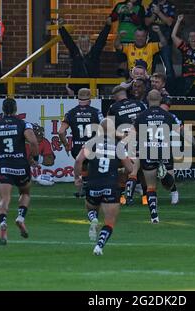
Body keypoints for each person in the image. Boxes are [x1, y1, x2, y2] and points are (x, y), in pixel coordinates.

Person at [0, 98, 39, 245]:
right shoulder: (22, 123)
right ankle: (20, 217)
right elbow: (33, 142)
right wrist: (34, 158)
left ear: (2, 109)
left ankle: (3, 223)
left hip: (4, 166)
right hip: (21, 166)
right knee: (25, 193)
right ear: (15, 109)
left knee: (4, 200)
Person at [74, 118, 133, 255]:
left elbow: (78, 160)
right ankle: (99, 246)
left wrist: (77, 178)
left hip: (93, 184)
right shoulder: (118, 145)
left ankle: (93, 217)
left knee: (90, 207)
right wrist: (120, 169)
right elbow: (130, 169)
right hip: (110, 186)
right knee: (110, 221)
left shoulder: (91, 143)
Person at [132, 90, 179, 223]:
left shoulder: (141, 116)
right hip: (164, 150)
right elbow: (178, 132)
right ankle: (163, 174)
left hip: (148, 151)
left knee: (151, 187)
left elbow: (133, 135)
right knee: (168, 185)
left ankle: (154, 216)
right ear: (161, 100)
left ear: (147, 98)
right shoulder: (168, 115)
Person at [58, 88, 104, 197]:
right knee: (94, 167)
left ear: (78, 99)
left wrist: (66, 144)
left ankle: (82, 188)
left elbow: (61, 132)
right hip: (92, 146)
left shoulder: (71, 113)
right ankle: (93, 188)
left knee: (83, 166)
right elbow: (105, 127)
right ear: (90, 99)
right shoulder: (96, 112)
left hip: (77, 147)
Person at [159, 98, 195, 205]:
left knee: (167, 176)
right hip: (149, 147)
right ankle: (145, 195)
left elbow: (184, 132)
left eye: (166, 109)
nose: (164, 111)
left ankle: (174, 192)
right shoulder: (149, 115)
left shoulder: (171, 117)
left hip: (165, 148)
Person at [107, 85, 147, 205]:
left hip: (126, 143)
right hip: (142, 140)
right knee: (144, 169)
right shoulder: (140, 104)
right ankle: (146, 196)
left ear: (115, 97)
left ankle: (122, 196)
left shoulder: (113, 107)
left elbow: (108, 128)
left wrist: (121, 136)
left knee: (126, 169)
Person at [58, 17, 112, 94]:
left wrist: (107, 26)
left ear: (89, 42)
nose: (84, 44)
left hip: (92, 86)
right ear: (79, 43)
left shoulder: (94, 52)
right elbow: (68, 41)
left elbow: (101, 40)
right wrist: (61, 28)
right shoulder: (75, 52)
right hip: (77, 87)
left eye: (86, 42)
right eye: (82, 42)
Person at [172, 14, 195, 97]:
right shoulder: (185, 48)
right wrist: (178, 21)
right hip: (186, 80)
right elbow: (173, 36)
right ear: (188, 39)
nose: (193, 38)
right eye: (190, 36)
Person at [110, 0, 146, 76]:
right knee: (121, 64)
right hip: (121, 39)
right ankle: (122, 83)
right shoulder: (120, 5)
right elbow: (111, 19)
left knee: (133, 64)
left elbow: (139, 22)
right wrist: (118, 12)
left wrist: (131, 11)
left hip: (134, 41)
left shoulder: (139, 7)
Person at [144, 0, 176, 79]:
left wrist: (158, 12)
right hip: (152, 41)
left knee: (168, 67)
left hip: (165, 41)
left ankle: (171, 88)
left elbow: (169, 22)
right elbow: (147, 22)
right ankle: (149, 88)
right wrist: (154, 13)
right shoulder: (152, 4)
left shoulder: (170, 5)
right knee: (149, 67)